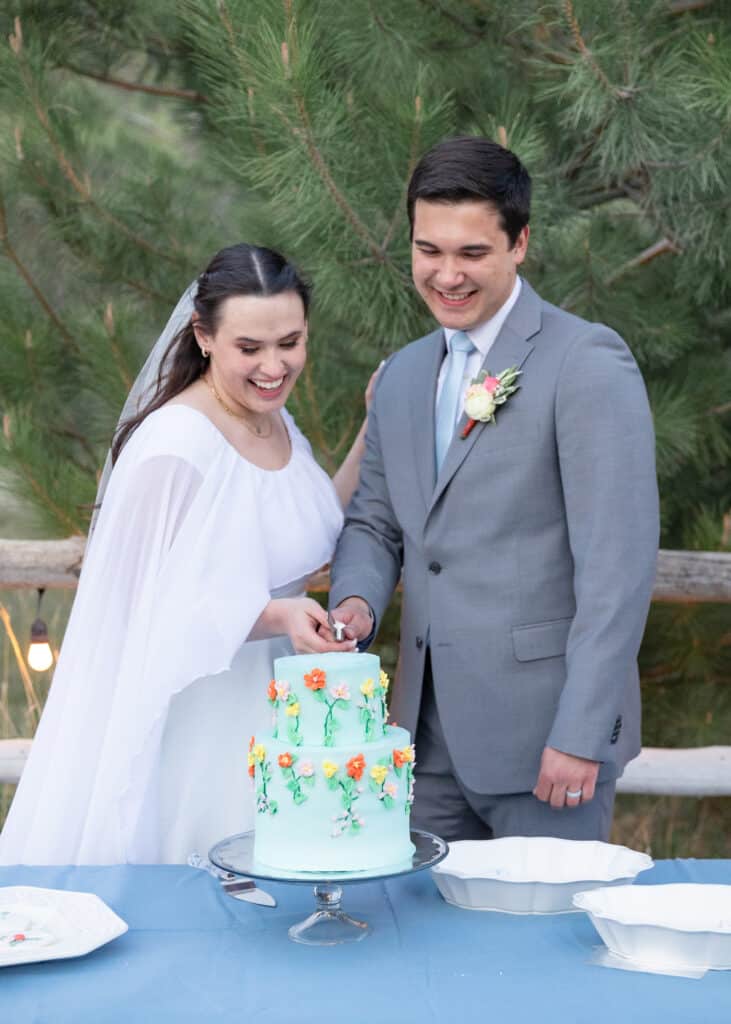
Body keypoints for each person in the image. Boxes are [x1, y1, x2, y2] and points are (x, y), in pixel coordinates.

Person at [328, 136, 659, 843]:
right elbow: (375, 521)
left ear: (520, 244)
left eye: (471, 253)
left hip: (546, 741)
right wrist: (355, 601)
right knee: (418, 940)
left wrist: (579, 732)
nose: (446, 274)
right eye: (428, 250)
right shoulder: (402, 376)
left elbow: (617, 566)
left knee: (539, 944)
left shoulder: (584, 361)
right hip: (421, 739)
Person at [0, 242, 365, 866]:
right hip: (197, 716)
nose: (274, 366)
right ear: (203, 336)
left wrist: (371, 428)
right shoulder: (174, 447)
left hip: (286, 712)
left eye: (290, 342)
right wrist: (278, 616)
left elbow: (308, 525)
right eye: (249, 348)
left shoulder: (275, 421)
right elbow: (141, 609)